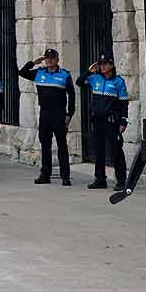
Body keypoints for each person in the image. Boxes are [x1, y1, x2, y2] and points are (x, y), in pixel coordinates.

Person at [19, 48, 75, 186]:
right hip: (44, 114)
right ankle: (45, 174)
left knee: (62, 146)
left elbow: (72, 95)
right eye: (47, 58)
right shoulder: (39, 72)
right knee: (45, 146)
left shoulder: (64, 75)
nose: (49, 60)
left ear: (57, 59)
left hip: (59, 113)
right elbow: (22, 72)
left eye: (52, 58)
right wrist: (33, 62)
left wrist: (69, 114)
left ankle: (65, 176)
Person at [78, 55, 129, 190]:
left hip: (112, 122)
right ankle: (100, 179)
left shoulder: (118, 82)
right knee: (98, 151)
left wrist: (123, 121)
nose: (102, 67)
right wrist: (89, 71)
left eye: (105, 64)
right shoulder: (95, 79)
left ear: (111, 66)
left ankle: (121, 180)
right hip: (97, 121)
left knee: (116, 151)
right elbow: (79, 82)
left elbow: (124, 103)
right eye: (101, 64)